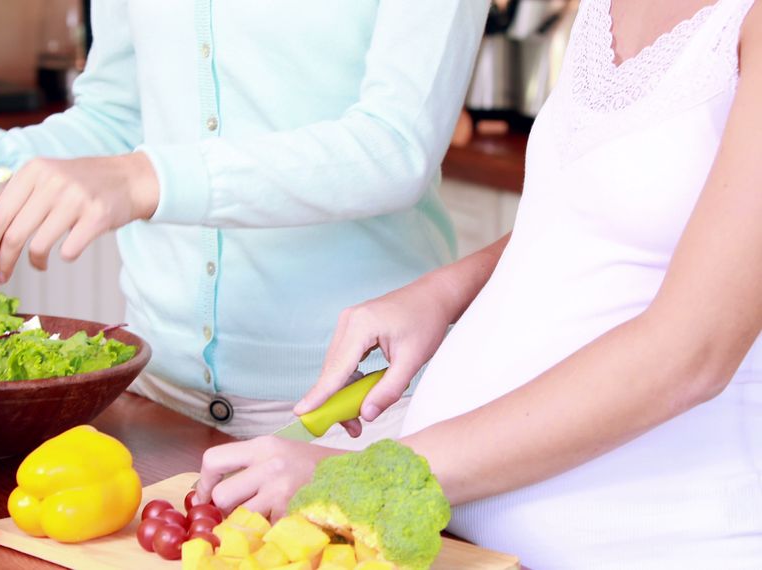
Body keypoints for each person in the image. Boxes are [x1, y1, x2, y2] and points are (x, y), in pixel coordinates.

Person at [195, 0, 762, 567]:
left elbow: (692, 352)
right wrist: (443, 293)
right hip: (465, 541)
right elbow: (595, 220)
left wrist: (367, 475)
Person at [0, 2, 489, 436]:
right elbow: (117, 120)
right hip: (155, 397)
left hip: (355, 409)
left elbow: (394, 146)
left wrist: (144, 179)